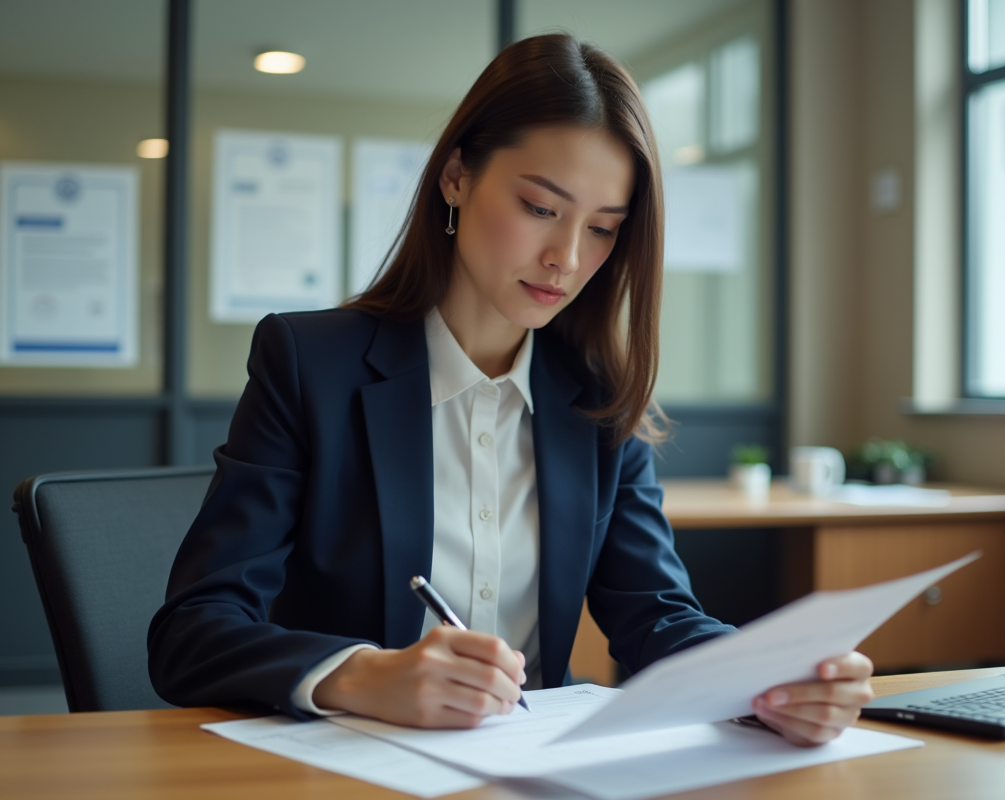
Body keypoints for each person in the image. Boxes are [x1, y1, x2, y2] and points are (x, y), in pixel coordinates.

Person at [148, 33, 874, 746]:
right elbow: (194, 632)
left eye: (602, 229)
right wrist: (364, 675)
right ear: (457, 176)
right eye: (539, 208)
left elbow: (655, 614)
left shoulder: (600, 399)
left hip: (530, 771)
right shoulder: (310, 363)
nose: (565, 258)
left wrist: (769, 681)